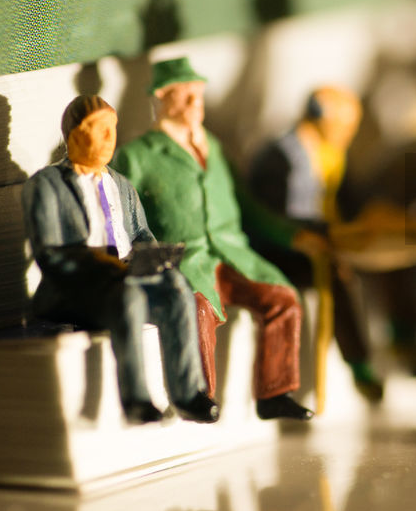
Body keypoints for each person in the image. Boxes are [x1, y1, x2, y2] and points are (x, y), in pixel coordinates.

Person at [113, 58, 321, 420]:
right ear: (161, 99)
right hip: (188, 259)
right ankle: (196, 394)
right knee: (197, 310)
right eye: (186, 96)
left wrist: (293, 235)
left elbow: (247, 206)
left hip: (234, 252)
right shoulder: (138, 156)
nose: (197, 104)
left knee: (283, 298)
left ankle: (274, 393)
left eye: (199, 95)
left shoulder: (214, 146)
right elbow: (120, 217)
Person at [23, 95, 217, 424]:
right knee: (128, 297)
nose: (110, 139)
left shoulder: (122, 186)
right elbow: (48, 253)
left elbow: (140, 232)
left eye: (113, 129)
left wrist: (154, 258)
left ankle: (187, 393)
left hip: (129, 273)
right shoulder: (47, 185)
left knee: (177, 287)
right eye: (100, 131)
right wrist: (103, 266)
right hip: (79, 286)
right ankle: (137, 399)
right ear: (74, 135)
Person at [247, 86, 386, 403]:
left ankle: (395, 341)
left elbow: (351, 201)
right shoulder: (280, 157)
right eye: (345, 125)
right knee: (338, 274)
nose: (349, 133)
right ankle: (360, 364)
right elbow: (276, 218)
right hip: (281, 248)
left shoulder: (329, 154)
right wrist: (326, 233)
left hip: (319, 241)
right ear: (322, 117)